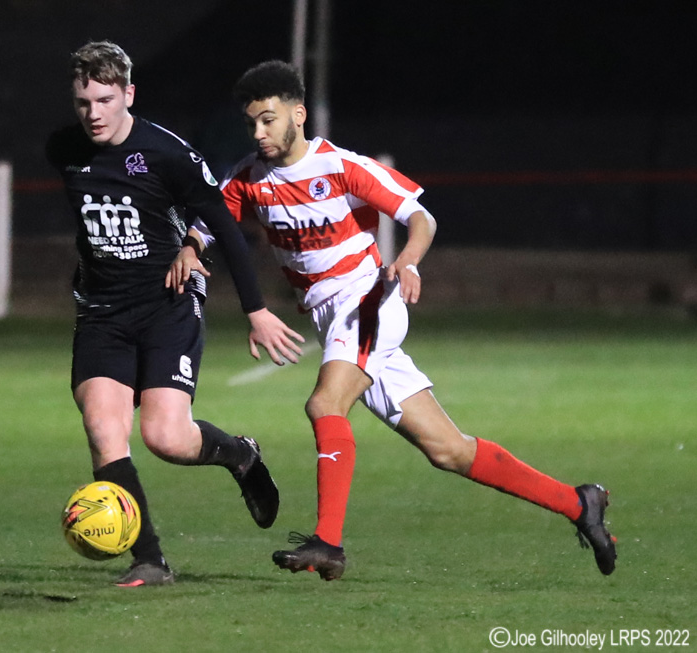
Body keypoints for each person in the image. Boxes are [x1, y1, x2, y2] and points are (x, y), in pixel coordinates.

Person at [169, 60, 616, 580]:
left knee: (324, 402)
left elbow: (420, 217)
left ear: (298, 114)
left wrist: (406, 261)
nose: (259, 132)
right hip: (330, 318)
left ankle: (328, 544)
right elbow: (210, 221)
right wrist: (190, 246)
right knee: (450, 451)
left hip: (368, 301)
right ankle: (579, 504)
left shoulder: (341, 167)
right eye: (251, 123)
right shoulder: (249, 177)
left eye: (268, 119)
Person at [46, 43, 305, 587]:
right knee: (102, 429)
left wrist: (255, 309)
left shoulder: (166, 153)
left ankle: (240, 455)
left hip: (167, 305)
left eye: (105, 99)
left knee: (165, 437)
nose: (93, 112)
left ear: (128, 95)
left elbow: (225, 227)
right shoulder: (64, 149)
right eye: (83, 101)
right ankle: (149, 559)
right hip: (101, 313)